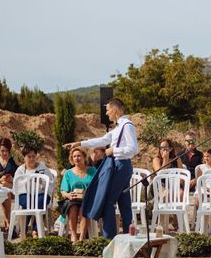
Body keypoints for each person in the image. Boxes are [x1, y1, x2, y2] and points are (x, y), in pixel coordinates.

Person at [65, 98, 138, 239]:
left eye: (108, 110)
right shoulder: (118, 127)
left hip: (121, 166)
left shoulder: (127, 125)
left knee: (108, 201)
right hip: (119, 166)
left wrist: (113, 151)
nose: (107, 113)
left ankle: (109, 239)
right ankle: (129, 236)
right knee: (124, 202)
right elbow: (102, 140)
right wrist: (79, 143)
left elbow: (133, 149)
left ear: (115, 110)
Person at [12, 145, 55, 237]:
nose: (31, 159)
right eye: (29, 156)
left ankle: (32, 230)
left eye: (33, 156)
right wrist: (28, 180)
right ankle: (27, 230)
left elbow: (50, 183)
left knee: (40, 202)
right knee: (27, 203)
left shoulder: (42, 168)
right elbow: (16, 185)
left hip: (40, 194)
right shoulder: (20, 170)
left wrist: (41, 181)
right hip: (25, 195)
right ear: (24, 157)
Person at [59, 147, 96, 242]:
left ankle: (82, 236)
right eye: (74, 156)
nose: (76, 158)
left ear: (84, 157)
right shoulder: (68, 173)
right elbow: (63, 191)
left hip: (88, 199)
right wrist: (68, 195)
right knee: (73, 207)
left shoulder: (92, 171)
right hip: (73, 200)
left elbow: (98, 187)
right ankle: (74, 235)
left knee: (84, 208)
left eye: (79, 156)